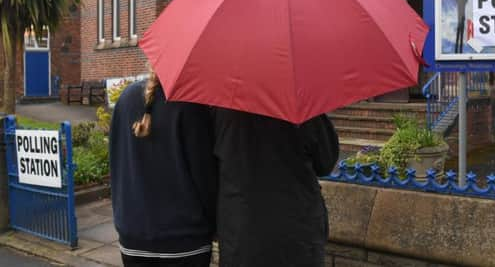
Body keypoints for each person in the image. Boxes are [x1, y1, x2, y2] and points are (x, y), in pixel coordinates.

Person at [109, 71, 217, 266]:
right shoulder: (191, 106)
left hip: (133, 235)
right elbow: (205, 179)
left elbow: (117, 165)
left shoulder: (125, 99)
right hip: (184, 240)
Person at [213, 108, 339, 267]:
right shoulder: (301, 104)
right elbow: (325, 162)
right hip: (297, 228)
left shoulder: (222, 107)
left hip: (241, 230)